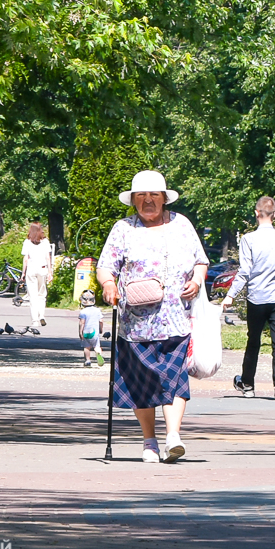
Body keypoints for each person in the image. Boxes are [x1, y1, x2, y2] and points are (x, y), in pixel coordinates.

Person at [97, 170, 208, 464]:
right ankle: (149, 441)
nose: (148, 201)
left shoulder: (182, 224)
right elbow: (105, 266)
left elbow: (200, 260)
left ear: (163, 198)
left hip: (176, 319)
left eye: (154, 196)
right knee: (141, 383)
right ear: (133, 200)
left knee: (174, 378)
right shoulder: (123, 229)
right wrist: (109, 285)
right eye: (141, 196)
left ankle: (173, 437)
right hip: (136, 324)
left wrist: (197, 281)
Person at [223, 196, 275, 401]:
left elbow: (245, 271)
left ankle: (248, 384)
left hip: (257, 298)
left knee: (254, 341)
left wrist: (231, 295)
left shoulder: (248, 239)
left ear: (256, 213)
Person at [21, 221, 54, 328]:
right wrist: (50, 272)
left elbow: (26, 259)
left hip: (31, 270)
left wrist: (23, 273)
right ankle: (42, 315)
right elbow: (48, 257)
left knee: (33, 296)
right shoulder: (45, 242)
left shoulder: (27, 242)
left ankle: (35, 320)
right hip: (43, 269)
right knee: (42, 295)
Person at [78, 289, 105, 367]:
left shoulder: (83, 312)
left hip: (86, 333)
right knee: (97, 346)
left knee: (86, 347)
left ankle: (88, 360)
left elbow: (82, 323)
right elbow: (101, 321)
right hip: (95, 332)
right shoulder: (97, 311)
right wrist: (101, 329)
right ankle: (98, 353)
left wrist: (80, 332)